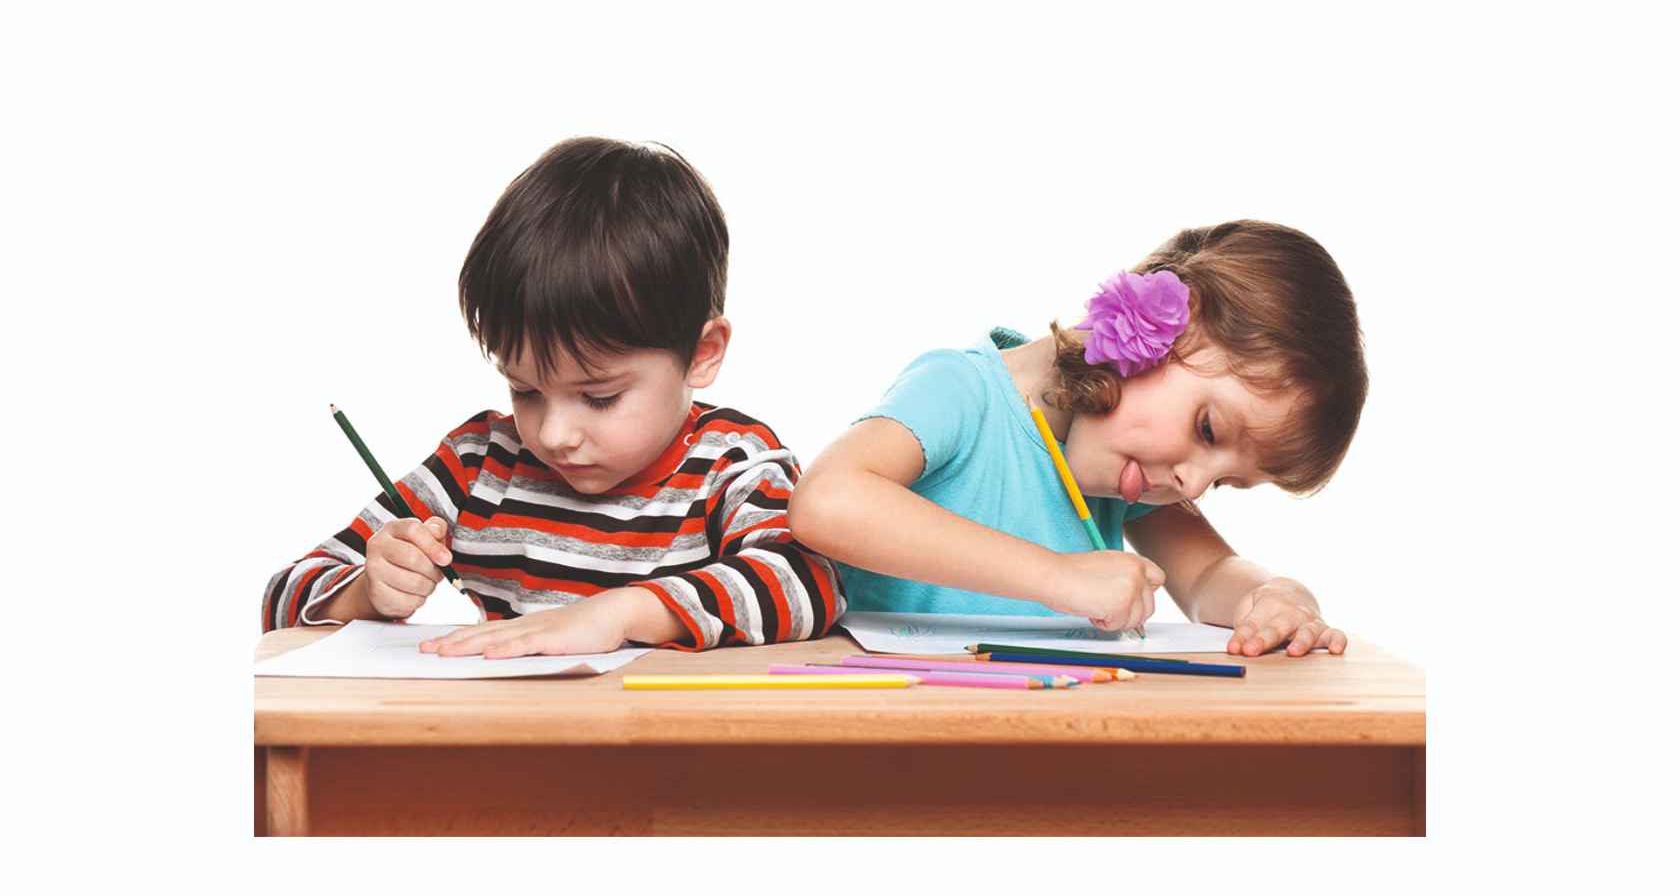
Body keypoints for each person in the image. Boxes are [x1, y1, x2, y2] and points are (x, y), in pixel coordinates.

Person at [263, 137, 845, 656]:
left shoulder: (730, 462)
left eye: (599, 397)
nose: (552, 434)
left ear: (702, 353)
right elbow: (282, 598)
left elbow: (810, 584)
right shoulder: (476, 466)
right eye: (525, 390)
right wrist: (368, 590)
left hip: (675, 744)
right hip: (514, 739)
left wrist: (621, 614)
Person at [789, 221, 1364, 657]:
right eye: (1207, 429)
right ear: (1159, 323)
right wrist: (1056, 576)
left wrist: (1272, 596)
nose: (1192, 483)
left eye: (1223, 482)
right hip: (890, 734)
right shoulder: (963, 391)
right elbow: (826, 502)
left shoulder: (1131, 480)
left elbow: (1210, 575)